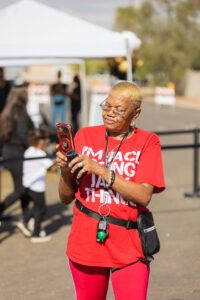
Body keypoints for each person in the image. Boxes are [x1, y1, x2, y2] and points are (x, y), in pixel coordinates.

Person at [56, 81, 165, 300]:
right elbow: (65, 197)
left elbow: (144, 195)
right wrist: (66, 171)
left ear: (136, 113)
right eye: (107, 106)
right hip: (86, 242)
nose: (109, 114)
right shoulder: (85, 136)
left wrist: (102, 171)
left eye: (118, 110)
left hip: (130, 244)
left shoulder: (148, 141)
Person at [0, 84, 35, 236]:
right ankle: (3, 210)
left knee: (21, 188)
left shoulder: (7, 110)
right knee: (22, 189)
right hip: (17, 156)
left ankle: (25, 220)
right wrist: (36, 147)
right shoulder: (20, 112)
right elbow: (23, 135)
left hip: (9, 155)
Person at [22, 129, 56, 243]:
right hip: (37, 187)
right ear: (40, 141)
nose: (46, 141)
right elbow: (53, 167)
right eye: (44, 140)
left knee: (35, 208)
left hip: (27, 184)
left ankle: (26, 222)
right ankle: (36, 234)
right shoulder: (41, 154)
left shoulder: (28, 151)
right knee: (41, 210)